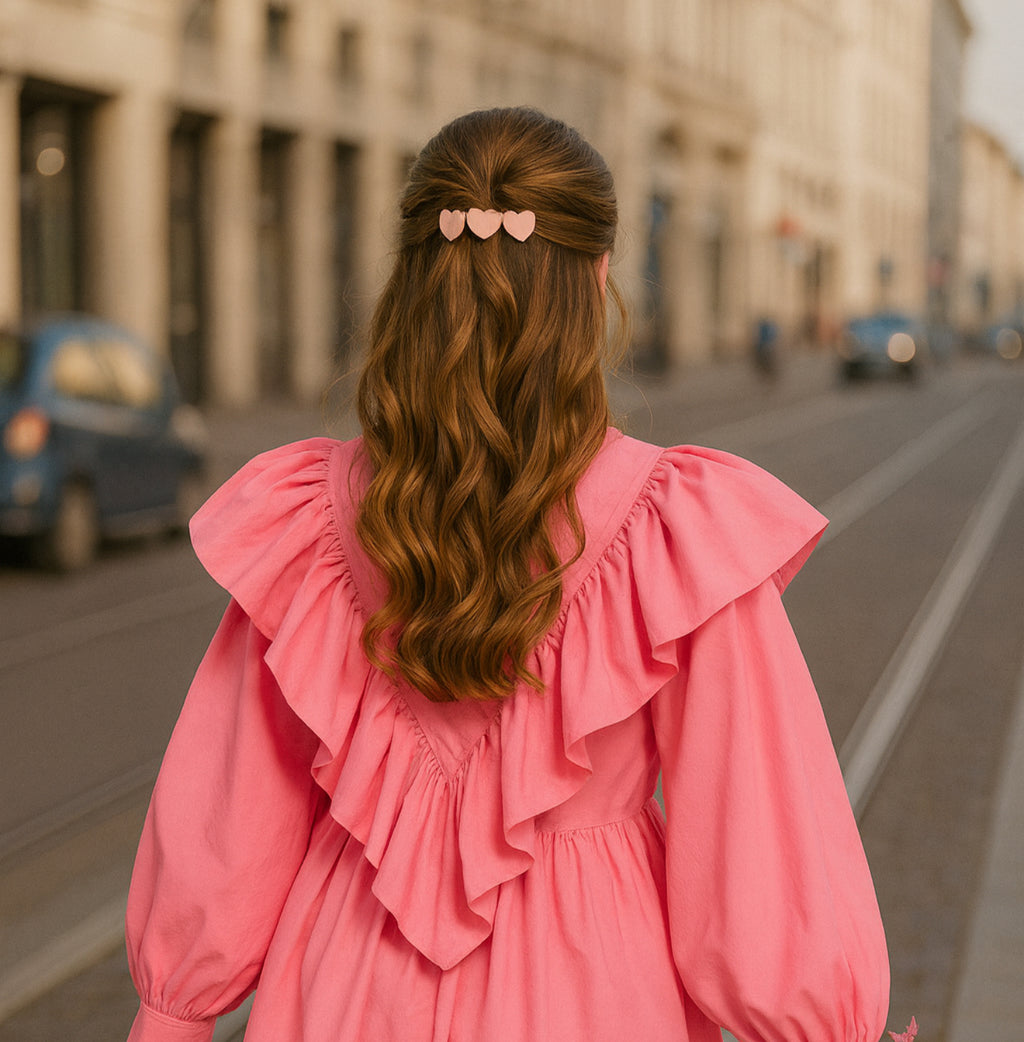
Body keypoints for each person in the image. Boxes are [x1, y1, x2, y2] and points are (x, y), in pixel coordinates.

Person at [123, 107, 890, 1042]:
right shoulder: (672, 527)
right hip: (598, 991)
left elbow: (226, 811)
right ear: (599, 278)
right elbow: (756, 834)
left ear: (410, 279)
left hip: (344, 983)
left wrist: (174, 1012)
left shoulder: (310, 519)